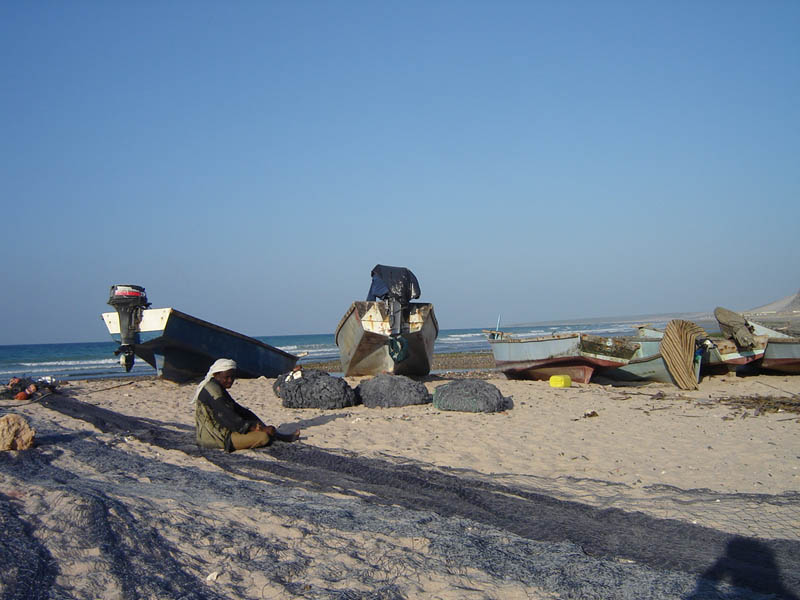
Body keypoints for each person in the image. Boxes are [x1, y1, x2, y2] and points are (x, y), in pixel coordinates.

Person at [193, 358, 300, 452]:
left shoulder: (216, 386)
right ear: (216, 375)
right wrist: (256, 429)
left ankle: (277, 436)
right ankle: (275, 436)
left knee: (249, 415)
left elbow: (236, 409)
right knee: (263, 437)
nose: (230, 380)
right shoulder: (213, 390)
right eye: (227, 377)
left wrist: (257, 424)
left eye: (232, 377)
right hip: (216, 437)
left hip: (223, 429)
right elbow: (228, 416)